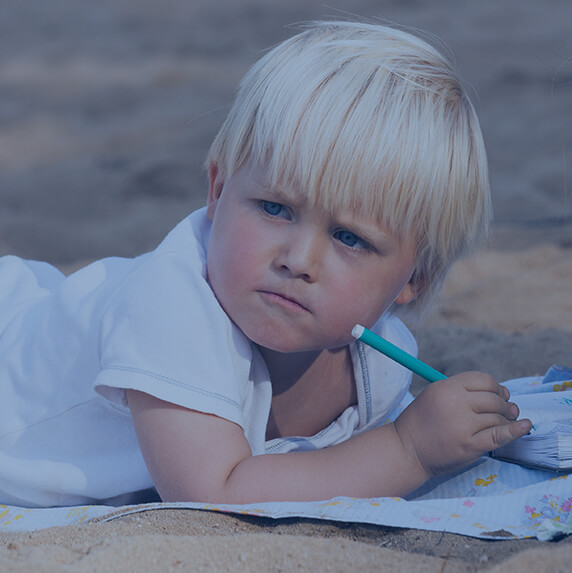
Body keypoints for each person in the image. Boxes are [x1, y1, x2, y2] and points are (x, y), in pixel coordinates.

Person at [0, 21, 531, 508]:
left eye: (350, 238)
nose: (299, 260)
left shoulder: (381, 362)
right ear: (219, 188)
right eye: (275, 209)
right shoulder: (169, 309)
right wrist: (409, 449)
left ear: (415, 278)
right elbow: (212, 493)